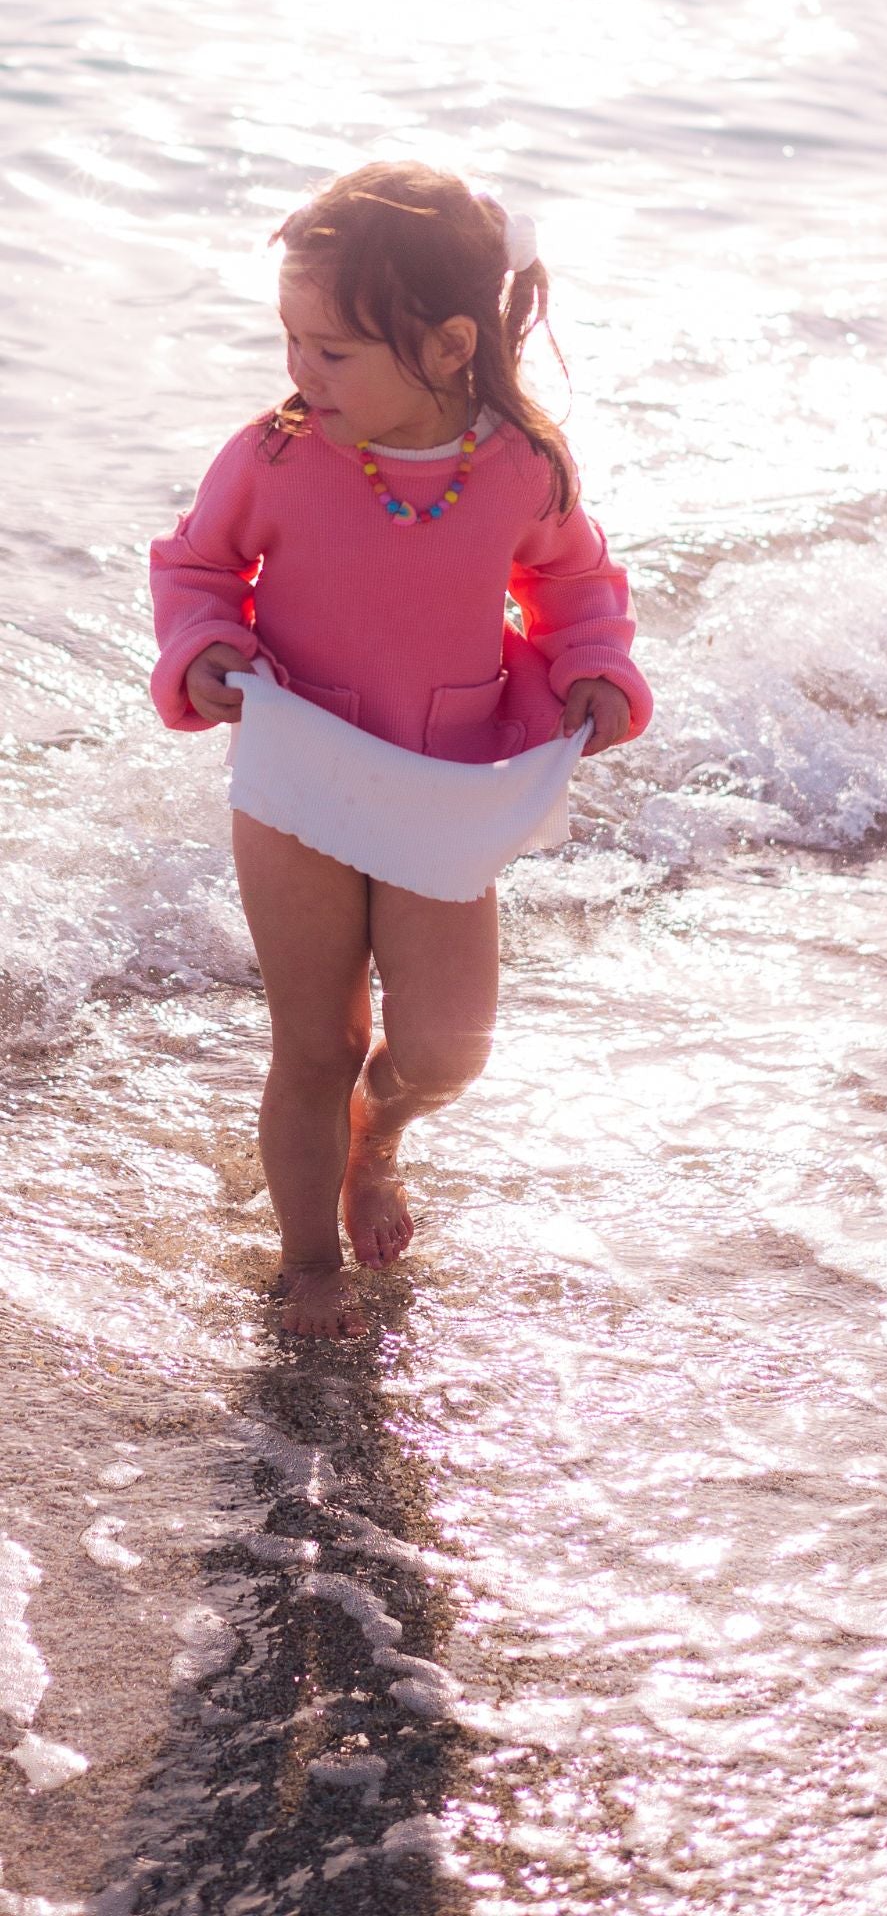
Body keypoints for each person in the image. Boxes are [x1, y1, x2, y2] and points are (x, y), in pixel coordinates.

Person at [148, 161, 653, 1340]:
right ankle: (308, 1258)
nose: (297, 373)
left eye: (330, 351)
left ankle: (382, 1133)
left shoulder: (518, 468)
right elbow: (194, 565)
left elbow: (573, 586)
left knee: (441, 1044)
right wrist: (208, 648)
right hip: (298, 772)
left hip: (443, 786)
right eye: (290, 339)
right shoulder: (276, 456)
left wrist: (596, 669)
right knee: (315, 1039)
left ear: (445, 345)